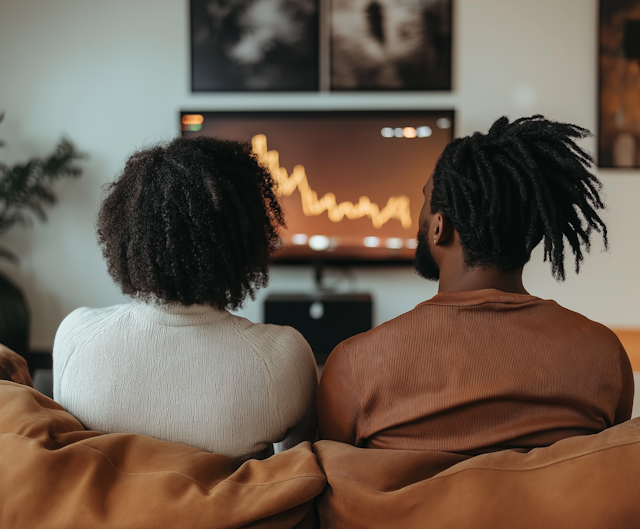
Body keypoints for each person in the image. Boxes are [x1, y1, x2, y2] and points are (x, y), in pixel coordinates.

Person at [316, 115, 634, 454]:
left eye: (424, 201)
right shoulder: (605, 356)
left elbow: (332, 488)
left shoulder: (354, 366)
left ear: (439, 228)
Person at [53, 136, 318, 462]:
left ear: (126, 231)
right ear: (246, 239)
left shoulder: (75, 334)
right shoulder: (284, 357)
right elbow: (297, 476)